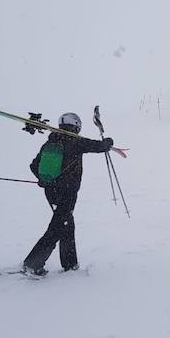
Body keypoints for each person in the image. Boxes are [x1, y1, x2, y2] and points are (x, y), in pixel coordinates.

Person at [23, 112, 114, 276]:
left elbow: (33, 165)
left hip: (51, 192)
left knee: (66, 225)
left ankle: (70, 263)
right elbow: (98, 146)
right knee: (58, 227)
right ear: (76, 126)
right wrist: (107, 142)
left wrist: (44, 179)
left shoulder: (51, 141)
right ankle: (33, 263)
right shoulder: (75, 141)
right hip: (67, 192)